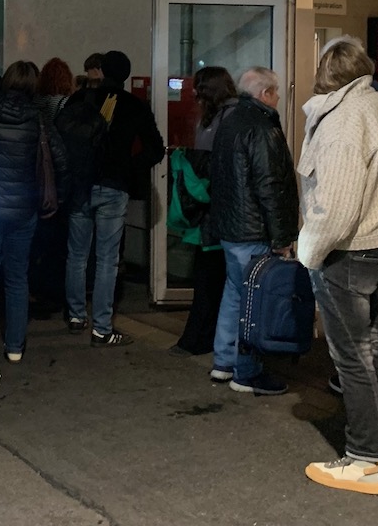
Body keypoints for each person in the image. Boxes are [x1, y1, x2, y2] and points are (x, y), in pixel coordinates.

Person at [298, 36, 378, 496]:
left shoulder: (343, 120)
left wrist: (308, 251)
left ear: (326, 76)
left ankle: (361, 461)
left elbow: (337, 206)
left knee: (353, 358)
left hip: (349, 253)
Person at [203, 67, 298, 394]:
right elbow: (270, 186)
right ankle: (246, 372)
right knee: (253, 302)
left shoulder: (229, 121)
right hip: (254, 229)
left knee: (234, 294)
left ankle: (223, 362)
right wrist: (282, 236)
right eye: (276, 92)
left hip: (231, 229)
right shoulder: (261, 127)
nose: (278, 98)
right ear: (265, 94)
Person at [61, 50, 164, 347]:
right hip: (114, 186)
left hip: (81, 185)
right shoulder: (134, 105)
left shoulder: (79, 99)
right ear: (126, 75)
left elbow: (60, 136)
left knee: (77, 254)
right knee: (108, 259)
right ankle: (102, 328)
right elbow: (155, 149)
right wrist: (129, 167)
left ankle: (76, 315)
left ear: (102, 70)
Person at [0, 61, 68, 360]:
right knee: (17, 277)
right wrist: (58, 197)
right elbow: (60, 159)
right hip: (24, 209)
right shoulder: (38, 117)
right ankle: (15, 346)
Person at [169, 66, 237, 357]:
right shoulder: (233, 117)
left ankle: (199, 339)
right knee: (220, 281)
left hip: (206, 216)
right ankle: (215, 340)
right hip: (225, 214)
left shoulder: (208, 121)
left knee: (207, 279)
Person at [29, 57, 76, 317]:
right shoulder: (64, 105)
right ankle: (52, 293)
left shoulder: (34, 104)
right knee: (56, 244)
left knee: (36, 241)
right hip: (54, 180)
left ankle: (34, 288)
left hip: (34, 179)